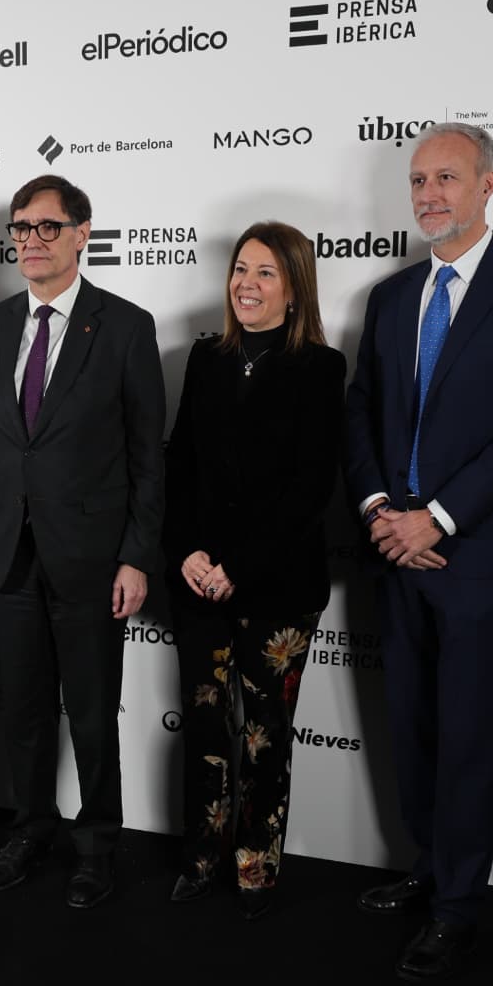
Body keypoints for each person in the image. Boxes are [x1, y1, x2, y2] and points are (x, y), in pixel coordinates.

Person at [343, 123, 493, 979]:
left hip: (476, 553)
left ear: (487, 185)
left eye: (446, 177)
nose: (429, 194)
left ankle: (458, 907)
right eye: (418, 180)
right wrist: (380, 508)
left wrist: (437, 518)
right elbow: (361, 411)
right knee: (411, 727)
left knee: (471, 736)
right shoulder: (391, 296)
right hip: (392, 546)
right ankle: (428, 867)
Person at [0, 174, 165, 908]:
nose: (32, 240)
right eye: (21, 227)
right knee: (22, 710)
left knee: (90, 713)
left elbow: (148, 457)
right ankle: (29, 831)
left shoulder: (125, 326)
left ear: (82, 234)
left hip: (91, 559)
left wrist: (136, 555)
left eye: (47, 227)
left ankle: (98, 844)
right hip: (8, 557)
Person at [163, 221, 345, 920]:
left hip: (278, 584)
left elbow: (310, 488)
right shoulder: (205, 357)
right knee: (206, 729)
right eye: (241, 268)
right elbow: (180, 465)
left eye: (266, 272)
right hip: (198, 580)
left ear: (295, 289)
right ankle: (201, 857)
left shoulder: (321, 368)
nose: (247, 283)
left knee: (266, 735)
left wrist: (237, 565)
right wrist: (187, 551)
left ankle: (255, 866)